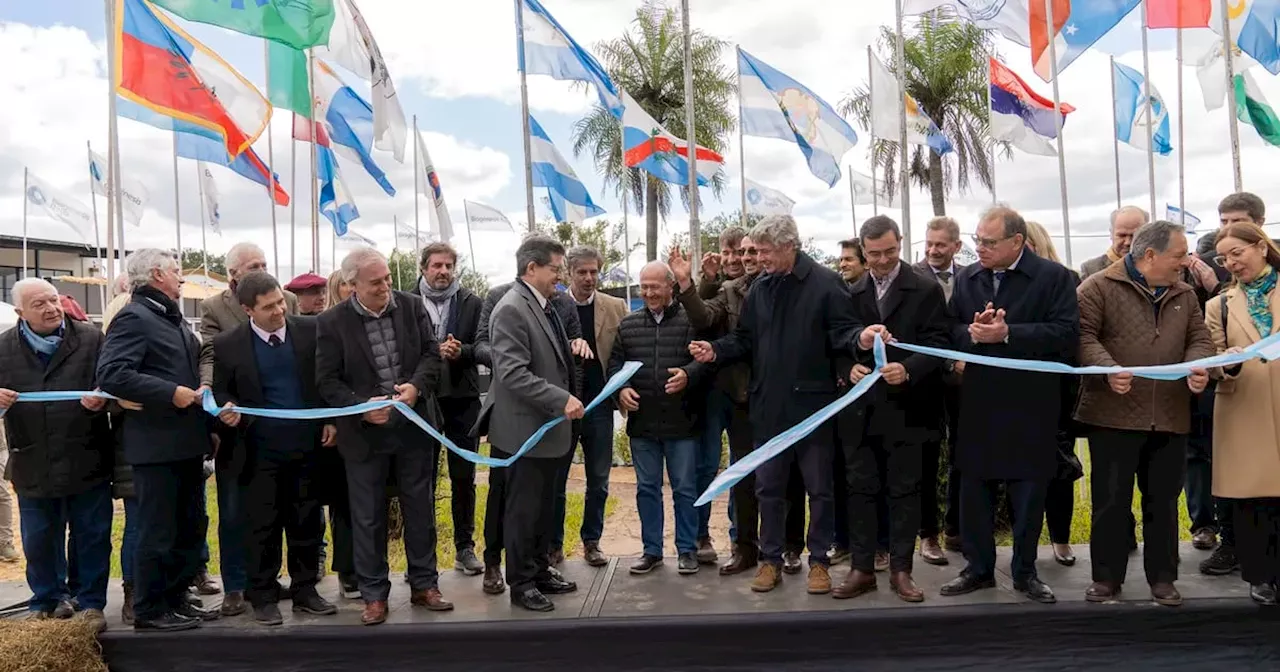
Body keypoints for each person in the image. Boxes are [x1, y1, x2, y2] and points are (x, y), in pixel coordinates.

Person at [689, 215, 863, 595]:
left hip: (814, 411)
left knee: (819, 489)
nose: (759, 259)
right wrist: (714, 350)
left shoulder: (826, 284)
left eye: (766, 251)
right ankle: (770, 561)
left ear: (790, 246)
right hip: (767, 409)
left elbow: (843, 333)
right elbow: (745, 339)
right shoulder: (761, 289)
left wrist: (861, 342)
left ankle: (819, 562)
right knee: (768, 489)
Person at [939, 206, 1079, 605]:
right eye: (977, 239)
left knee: (1029, 492)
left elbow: (1067, 334)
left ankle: (1025, 571)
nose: (978, 248)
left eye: (988, 242)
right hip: (979, 402)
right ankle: (978, 568)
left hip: (1031, 402)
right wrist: (972, 333)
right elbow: (948, 330)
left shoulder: (1054, 278)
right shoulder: (968, 278)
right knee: (974, 490)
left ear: (1017, 242)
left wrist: (1007, 334)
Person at [1075, 220, 1214, 606]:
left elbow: (1199, 338)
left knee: (1164, 503)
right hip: (1113, 416)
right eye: (1179, 255)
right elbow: (1083, 336)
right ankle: (1105, 579)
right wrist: (1107, 370)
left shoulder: (1184, 294)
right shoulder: (1098, 287)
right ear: (1149, 255)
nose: (1185, 262)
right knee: (1110, 502)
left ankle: (1164, 579)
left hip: (1169, 415)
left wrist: (1196, 366)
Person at [316, 247, 451, 625]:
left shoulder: (410, 306)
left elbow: (431, 355)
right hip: (364, 437)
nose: (385, 287)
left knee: (420, 509)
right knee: (368, 516)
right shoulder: (331, 323)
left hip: (413, 428)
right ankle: (374, 595)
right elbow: (327, 381)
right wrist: (360, 406)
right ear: (351, 286)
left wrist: (415, 388)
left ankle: (425, 585)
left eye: (388, 278)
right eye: (376, 282)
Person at [98, 249, 218, 632]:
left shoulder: (170, 317)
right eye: (176, 271)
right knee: (158, 530)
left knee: (188, 527)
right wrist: (171, 392)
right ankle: (150, 609)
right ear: (156, 275)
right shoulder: (134, 317)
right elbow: (113, 373)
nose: (182, 277)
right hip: (156, 447)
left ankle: (177, 598)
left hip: (185, 443)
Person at [211, 272, 338, 625]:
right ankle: (263, 595)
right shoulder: (228, 345)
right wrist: (228, 410)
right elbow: (221, 392)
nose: (279, 311)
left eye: (281, 302)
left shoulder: (308, 332)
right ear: (248, 309)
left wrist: (331, 420)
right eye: (269, 307)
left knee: (307, 522)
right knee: (262, 526)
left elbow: (325, 381)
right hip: (257, 451)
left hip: (307, 446)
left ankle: (305, 591)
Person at [832, 216, 948, 603]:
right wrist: (848, 364)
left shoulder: (926, 289)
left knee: (905, 492)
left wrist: (909, 369)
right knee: (860, 490)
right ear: (863, 251)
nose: (882, 261)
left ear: (901, 243)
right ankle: (862, 568)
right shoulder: (849, 292)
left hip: (908, 410)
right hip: (861, 413)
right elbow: (835, 341)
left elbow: (938, 344)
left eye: (890, 252)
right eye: (874, 254)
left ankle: (902, 570)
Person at [0, 279, 113, 630]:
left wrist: (102, 396)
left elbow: (112, 380)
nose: (50, 308)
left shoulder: (90, 337)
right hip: (32, 458)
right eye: (39, 304)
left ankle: (91, 601)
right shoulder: (3, 347)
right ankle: (47, 599)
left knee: (92, 534)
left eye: (54, 300)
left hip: (86, 454)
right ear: (20, 313)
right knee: (38, 538)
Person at [476, 235, 581, 612]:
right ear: (531, 268)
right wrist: (560, 399)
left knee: (542, 508)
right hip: (525, 432)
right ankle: (521, 584)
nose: (561, 276)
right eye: (555, 269)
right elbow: (513, 373)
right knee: (522, 510)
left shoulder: (543, 304)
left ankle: (538, 572)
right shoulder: (511, 309)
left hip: (548, 430)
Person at [196, 242, 299, 613]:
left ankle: (272, 579)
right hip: (235, 425)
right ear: (232, 276)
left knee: (282, 509)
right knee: (235, 509)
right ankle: (235, 586)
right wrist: (212, 396)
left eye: (265, 263)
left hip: (282, 427)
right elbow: (209, 353)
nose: (261, 268)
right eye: (252, 265)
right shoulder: (213, 308)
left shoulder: (285, 297)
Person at [610, 261, 708, 575]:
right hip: (643, 425)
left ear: (670, 286)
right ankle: (651, 551)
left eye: (655, 286)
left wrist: (689, 375)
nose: (649, 293)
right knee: (647, 489)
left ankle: (687, 550)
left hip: (682, 422)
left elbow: (707, 362)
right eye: (644, 286)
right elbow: (614, 367)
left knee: (685, 489)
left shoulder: (691, 322)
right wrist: (621, 390)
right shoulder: (627, 325)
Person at [1196, 192, 1274, 577]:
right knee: (1249, 499)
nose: (1231, 264)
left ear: (1261, 246)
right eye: (1225, 258)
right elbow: (1213, 357)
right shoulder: (1220, 304)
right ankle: (1258, 576)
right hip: (1243, 408)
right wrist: (1230, 364)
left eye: (1237, 253)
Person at [409, 242, 485, 576]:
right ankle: (422, 558)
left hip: (462, 400)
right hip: (421, 400)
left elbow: (485, 346)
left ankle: (464, 548)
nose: (443, 272)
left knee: (463, 477)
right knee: (419, 479)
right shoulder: (404, 302)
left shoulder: (472, 302)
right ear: (423, 267)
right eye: (437, 265)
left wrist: (462, 350)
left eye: (449, 266)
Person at [1024, 221, 1086, 567]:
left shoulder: (1067, 279)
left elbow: (1072, 334)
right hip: (1019, 389)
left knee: (1060, 467)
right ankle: (1027, 543)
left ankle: (1061, 539)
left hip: (1058, 388)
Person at [563, 246, 627, 567]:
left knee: (599, 480)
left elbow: (627, 351)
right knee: (555, 480)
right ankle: (552, 545)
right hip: (561, 408)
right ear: (568, 272)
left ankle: (592, 541)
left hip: (600, 407)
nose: (589, 278)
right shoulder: (553, 307)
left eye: (594, 272)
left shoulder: (616, 307)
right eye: (582, 272)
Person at [913, 216, 967, 562]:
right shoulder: (910, 278)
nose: (933, 250)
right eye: (929, 243)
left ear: (956, 247)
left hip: (965, 383)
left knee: (963, 456)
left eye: (941, 245)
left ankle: (957, 529)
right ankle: (927, 534)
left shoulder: (971, 277)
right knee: (926, 460)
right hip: (925, 382)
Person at [1080, 206, 1146, 279]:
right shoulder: (1092, 270)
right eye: (1122, 235)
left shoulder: (1158, 267)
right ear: (1111, 234)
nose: (1128, 242)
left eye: (1134, 235)